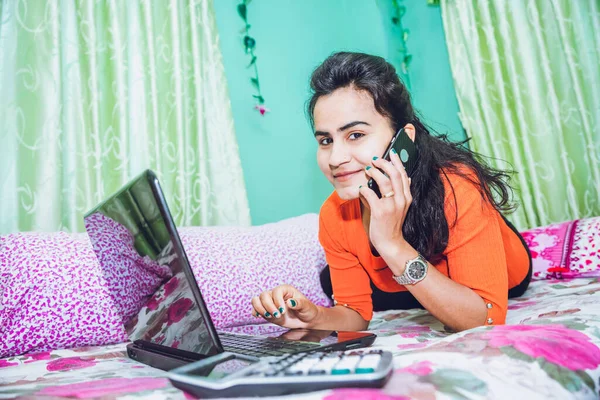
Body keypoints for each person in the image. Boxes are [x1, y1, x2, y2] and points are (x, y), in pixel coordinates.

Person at [250, 52, 532, 332]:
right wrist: (314, 318)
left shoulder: (457, 188)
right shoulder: (334, 213)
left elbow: (485, 320)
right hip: (401, 282)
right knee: (330, 282)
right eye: (325, 140)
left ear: (404, 139)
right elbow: (355, 315)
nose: (335, 158)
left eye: (355, 135)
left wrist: (391, 243)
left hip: (508, 274)